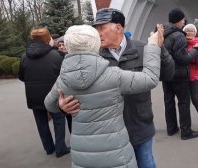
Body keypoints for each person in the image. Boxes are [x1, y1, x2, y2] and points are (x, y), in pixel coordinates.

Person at [57, 8, 175, 168]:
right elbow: (71, 87)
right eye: (96, 29)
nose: (97, 33)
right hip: (108, 136)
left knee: (146, 164)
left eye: (101, 28)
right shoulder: (93, 55)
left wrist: (159, 49)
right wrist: (63, 105)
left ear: (118, 28)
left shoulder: (143, 49)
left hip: (139, 126)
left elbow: (168, 74)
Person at [18, 28, 70, 158]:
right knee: (58, 120)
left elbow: (21, 76)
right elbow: (64, 76)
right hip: (53, 95)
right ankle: (60, 148)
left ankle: (49, 148)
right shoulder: (56, 56)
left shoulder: (24, 57)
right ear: (47, 39)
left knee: (41, 122)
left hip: (33, 97)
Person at [162, 8, 198, 140]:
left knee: (169, 101)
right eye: (183, 19)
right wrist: (196, 50)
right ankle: (186, 132)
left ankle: (171, 128)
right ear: (179, 20)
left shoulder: (162, 33)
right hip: (179, 74)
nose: (184, 21)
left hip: (166, 73)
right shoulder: (179, 36)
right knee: (184, 102)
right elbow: (183, 58)